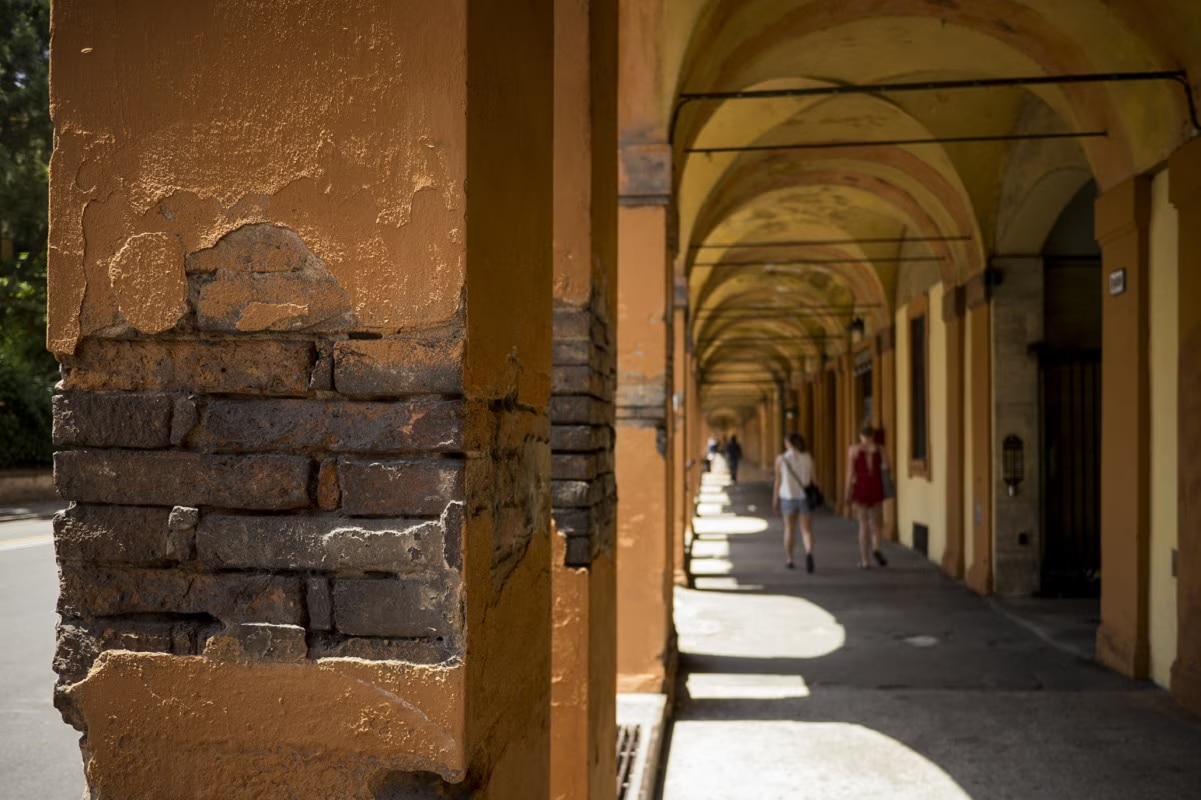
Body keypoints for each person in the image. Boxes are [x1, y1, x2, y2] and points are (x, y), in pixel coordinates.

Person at [846, 422, 889, 569]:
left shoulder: (854, 450)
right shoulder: (880, 449)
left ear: (861, 435)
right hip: (876, 485)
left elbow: (850, 473)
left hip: (861, 485)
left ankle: (864, 560)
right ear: (872, 435)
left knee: (863, 524)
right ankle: (876, 548)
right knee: (876, 522)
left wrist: (847, 492)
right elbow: (886, 468)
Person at [773, 432, 816, 572]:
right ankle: (809, 552)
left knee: (789, 529)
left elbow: (778, 481)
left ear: (788, 442)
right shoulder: (807, 457)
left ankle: (790, 559)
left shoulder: (781, 459)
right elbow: (813, 479)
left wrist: (775, 499)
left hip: (787, 497)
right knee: (806, 530)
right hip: (804, 497)